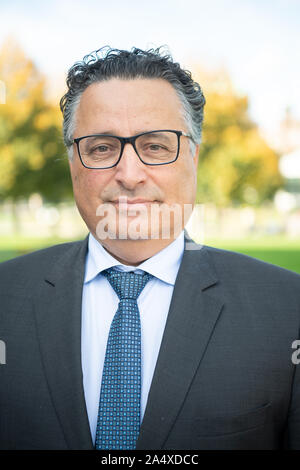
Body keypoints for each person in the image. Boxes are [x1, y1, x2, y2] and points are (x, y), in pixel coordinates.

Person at [0, 46, 300, 451]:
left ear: (192, 157)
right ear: (73, 163)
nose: (128, 174)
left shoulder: (287, 308)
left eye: (156, 146)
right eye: (102, 148)